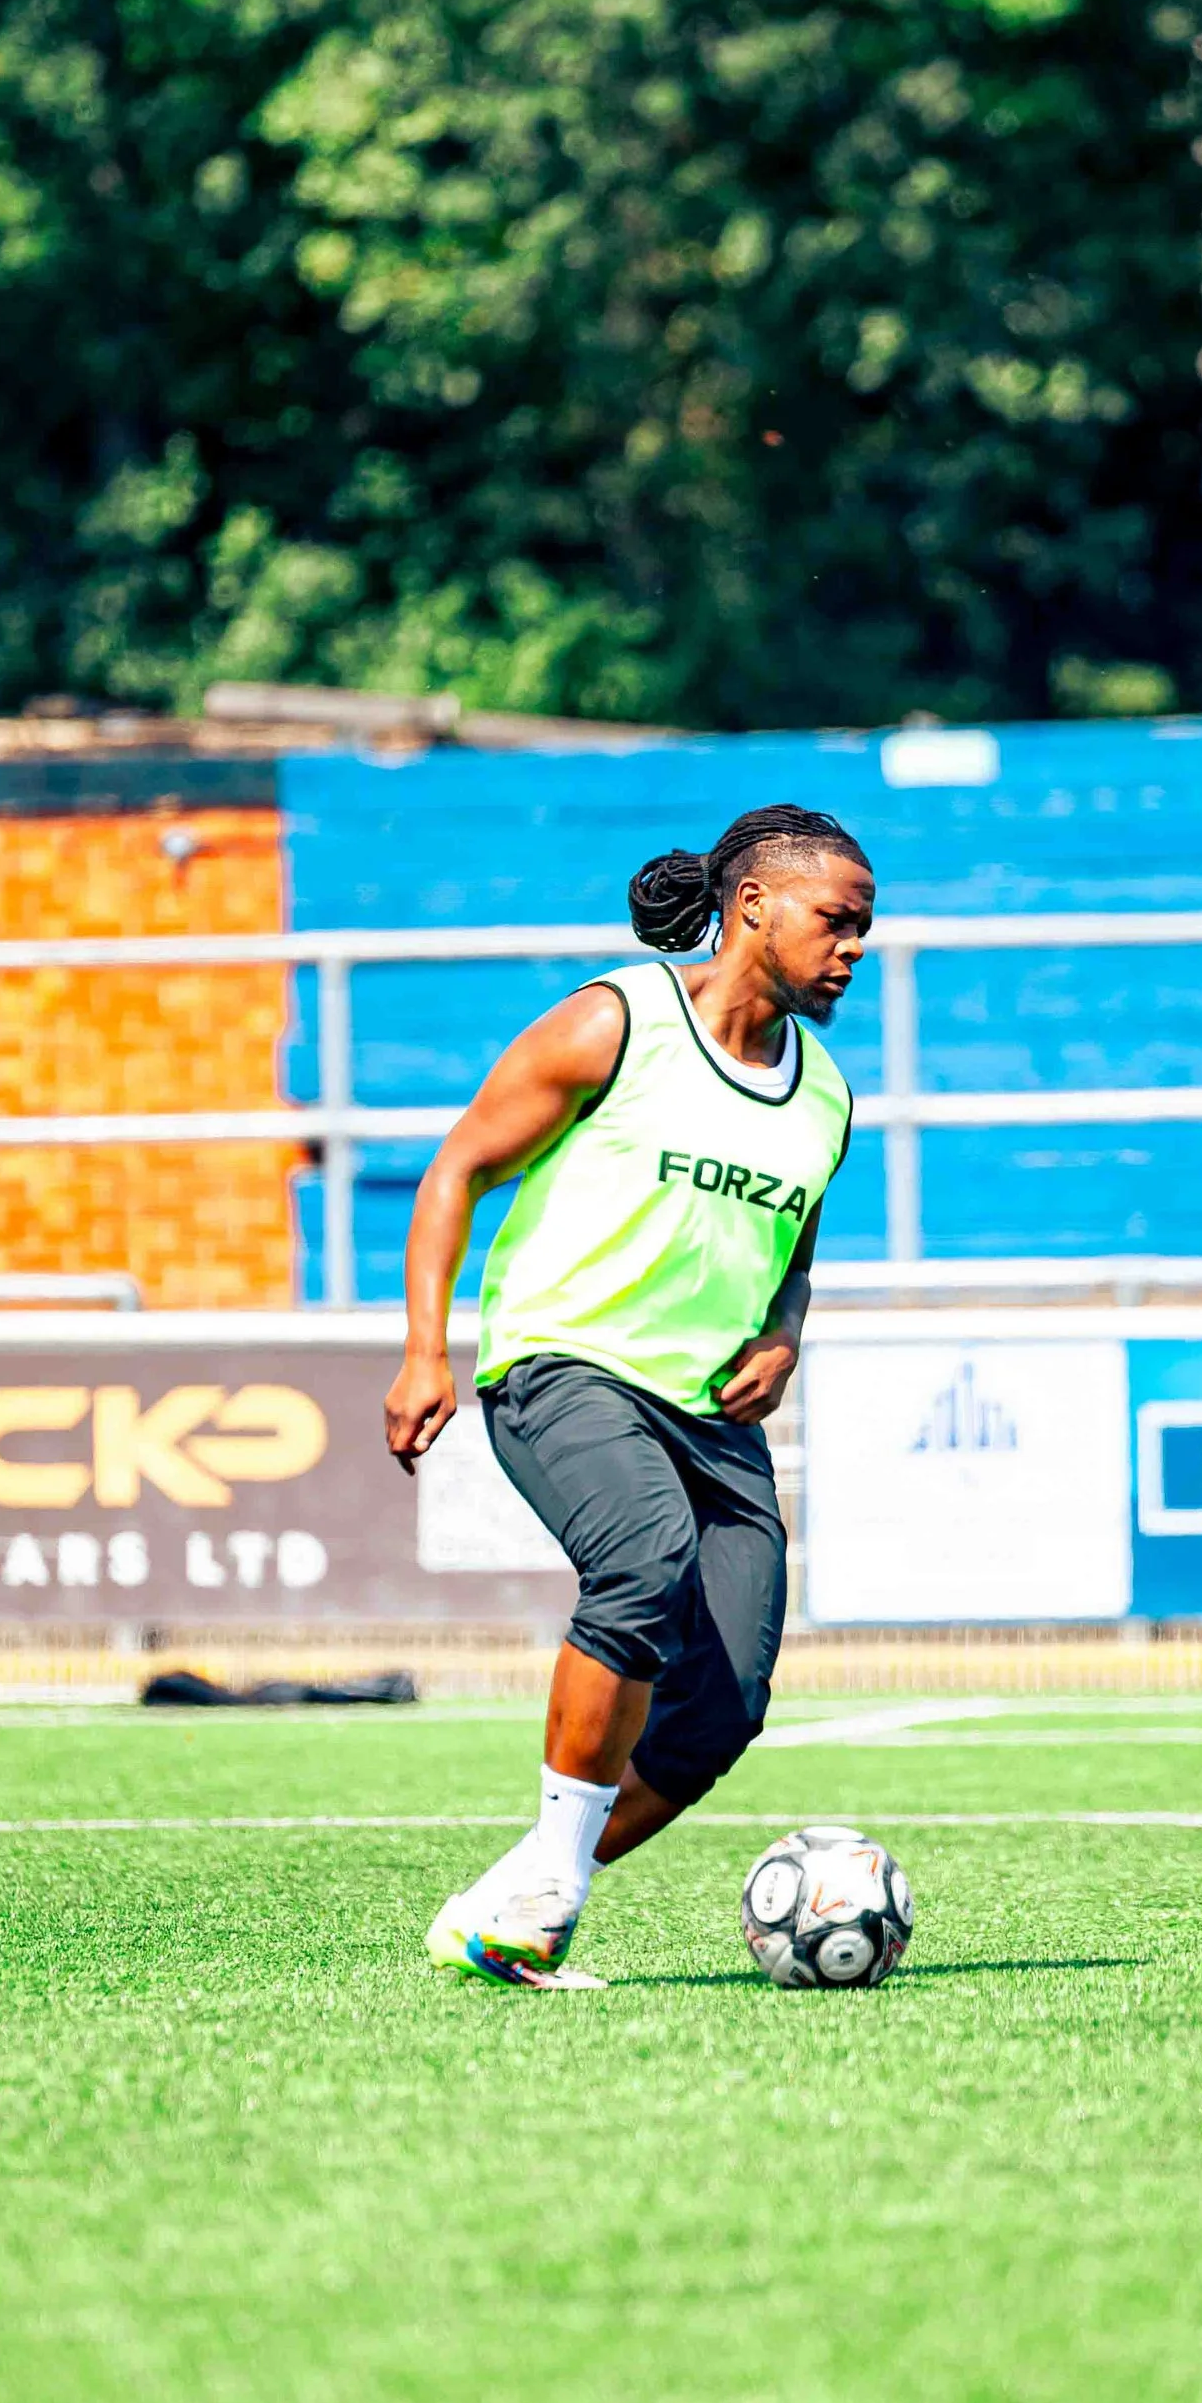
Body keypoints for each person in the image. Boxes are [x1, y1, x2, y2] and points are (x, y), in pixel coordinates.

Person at [384, 803, 872, 1984]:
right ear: (752, 905)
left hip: (710, 1415)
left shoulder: (826, 1097)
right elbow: (458, 1165)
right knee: (642, 1562)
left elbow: (794, 1250)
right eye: (837, 922)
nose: (855, 949)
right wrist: (423, 1348)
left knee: (724, 1708)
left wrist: (785, 1332)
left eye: (866, 930)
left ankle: (512, 1894)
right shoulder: (617, 1020)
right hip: (564, 1365)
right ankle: (549, 1894)